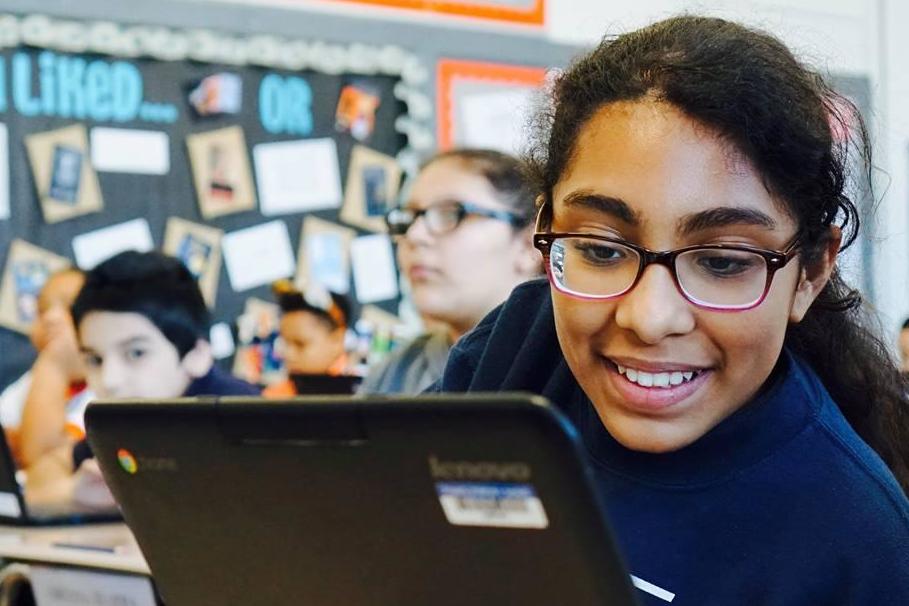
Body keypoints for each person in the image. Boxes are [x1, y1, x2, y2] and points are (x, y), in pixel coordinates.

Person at [433, 16, 909, 604]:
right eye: (602, 250)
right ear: (544, 229)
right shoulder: (516, 353)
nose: (650, 317)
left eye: (724, 262)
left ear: (810, 271)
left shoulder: (859, 544)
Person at [25, 251, 259, 506]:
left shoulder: (243, 417)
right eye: (95, 359)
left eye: (136, 353)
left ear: (198, 355)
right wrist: (73, 492)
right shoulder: (127, 418)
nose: (109, 379)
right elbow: (42, 473)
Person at [359, 148, 540, 393]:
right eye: (408, 218)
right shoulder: (394, 374)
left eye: (450, 213)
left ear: (529, 244)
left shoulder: (566, 369)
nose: (414, 235)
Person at [0, 268, 89, 467]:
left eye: (70, 307)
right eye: (41, 310)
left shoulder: (104, 388)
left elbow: (47, 461)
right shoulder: (29, 380)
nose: (51, 317)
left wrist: (54, 363)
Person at [263, 280, 353, 397]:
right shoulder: (275, 397)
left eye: (300, 344)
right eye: (285, 344)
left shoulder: (362, 393)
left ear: (337, 340)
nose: (288, 355)